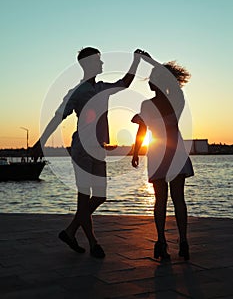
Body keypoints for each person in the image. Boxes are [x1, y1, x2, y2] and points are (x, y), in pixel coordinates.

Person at [31, 47, 145, 258]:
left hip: (99, 148)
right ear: (88, 63)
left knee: (99, 196)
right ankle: (92, 243)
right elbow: (58, 117)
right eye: (98, 61)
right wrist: (41, 142)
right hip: (82, 149)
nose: (102, 64)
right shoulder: (76, 92)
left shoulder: (102, 88)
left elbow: (124, 83)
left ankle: (71, 231)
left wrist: (136, 61)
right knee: (84, 198)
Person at [131, 53, 194, 261]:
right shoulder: (176, 100)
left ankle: (162, 242)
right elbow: (142, 130)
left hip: (159, 156)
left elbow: (142, 131)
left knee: (161, 201)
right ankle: (182, 242)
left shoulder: (147, 105)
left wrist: (136, 151)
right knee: (178, 200)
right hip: (175, 153)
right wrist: (150, 60)